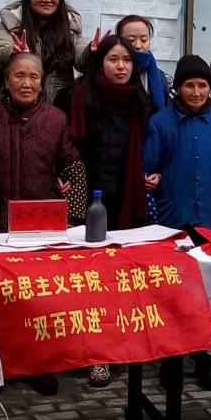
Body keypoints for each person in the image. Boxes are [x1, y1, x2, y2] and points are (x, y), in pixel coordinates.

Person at [142, 54, 211, 390]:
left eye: (203, 85)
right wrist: (152, 183)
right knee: (173, 293)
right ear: (178, 88)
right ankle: (170, 360)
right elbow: (147, 166)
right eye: (190, 85)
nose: (197, 92)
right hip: (174, 221)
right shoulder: (160, 123)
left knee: (209, 293)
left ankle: (205, 360)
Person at [0, 51, 82, 397]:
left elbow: (72, 164)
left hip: (39, 226)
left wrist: (68, 187)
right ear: (6, 80)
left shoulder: (55, 119)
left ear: (42, 83)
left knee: (37, 299)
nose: (26, 83)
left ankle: (38, 364)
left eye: (34, 77)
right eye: (19, 76)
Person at [67, 34, 153, 388]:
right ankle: (94, 353)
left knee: (121, 280)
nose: (121, 66)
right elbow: (67, 146)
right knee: (89, 281)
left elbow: (153, 147)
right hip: (87, 204)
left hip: (125, 204)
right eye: (114, 59)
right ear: (100, 62)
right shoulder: (80, 95)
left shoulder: (141, 100)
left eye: (127, 60)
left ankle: (121, 346)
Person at [0, 0, 91, 105]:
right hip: (16, 106)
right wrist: (12, 52)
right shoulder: (12, 21)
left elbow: (81, 60)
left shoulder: (70, 25)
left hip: (59, 106)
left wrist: (92, 51)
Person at [115, 15, 173, 109]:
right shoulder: (109, 73)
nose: (138, 45)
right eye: (131, 40)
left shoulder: (164, 80)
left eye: (144, 40)